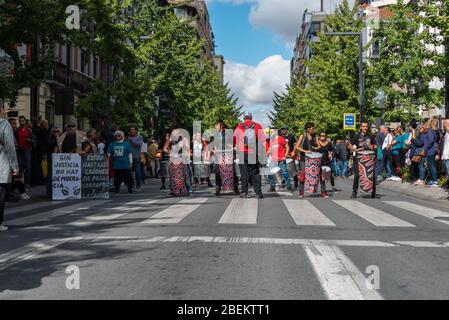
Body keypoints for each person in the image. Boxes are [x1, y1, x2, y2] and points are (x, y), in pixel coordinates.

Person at [233, 112, 265, 199]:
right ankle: (258, 193)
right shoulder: (257, 125)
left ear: (244, 118)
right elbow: (262, 140)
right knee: (255, 173)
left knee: (244, 174)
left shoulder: (239, 126)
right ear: (251, 117)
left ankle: (244, 192)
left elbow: (234, 139)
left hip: (243, 152)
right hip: (254, 152)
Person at [0, 101, 20, 231]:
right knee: (0, 196)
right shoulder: (3, 124)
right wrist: (15, 167)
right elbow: (10, 147)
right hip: (2, 164)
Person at [349, 122, 378, 199]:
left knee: (371, 174)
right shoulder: (356, 136)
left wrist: (371, 146)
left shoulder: (371, 136)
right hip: (358, 157)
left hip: (369, 157)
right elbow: (349, 145)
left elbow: (376, 146)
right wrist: (356, 149)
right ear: (361, 127)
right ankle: (354, 192)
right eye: (363, 126)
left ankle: (373, 192)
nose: (365, 128)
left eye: (366, 126)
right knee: (357, 175)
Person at [212, 119, 239, 196]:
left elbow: (233, 143)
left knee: (232, 171)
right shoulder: (215, 134)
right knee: (217, 171)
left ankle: (235, 188)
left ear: (221, 125)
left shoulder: (228, 133)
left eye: (217, 125)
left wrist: (233, 148)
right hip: (218, 155)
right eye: (215, 125)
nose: (215, 126)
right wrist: (214, 148)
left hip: (228, 154)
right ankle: (218, 188)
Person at [294, 122, 317, 198]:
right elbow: (297, 147)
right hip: (304, 158)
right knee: (303, 175)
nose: (313, 130)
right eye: (312, 128)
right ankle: (301, 192)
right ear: (308, 129)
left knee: (312, 175)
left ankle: (312, 189)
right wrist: (305, 151)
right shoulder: (303, 136)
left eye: (313, 128)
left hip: (313, 158)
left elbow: (317, 146)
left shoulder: (314, 136)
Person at [267, 126, 291, 192]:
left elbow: (287, 147)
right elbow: (270, 149)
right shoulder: (271, 140)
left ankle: (288, 185)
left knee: (284, 173)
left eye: (271, 132)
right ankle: (272, 186)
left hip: (281, 159)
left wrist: (285, 156)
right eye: (270, 132)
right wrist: (267, 154)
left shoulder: (280, 138)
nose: (270, 133)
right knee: (270, 173)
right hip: (273, 159)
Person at [314, 132, 337, 197]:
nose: (322, 136)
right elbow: (313, 149)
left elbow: (332, 150)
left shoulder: (329, 143)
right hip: (318, 161)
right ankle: (320, 190)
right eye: (320, 135)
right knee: (318, 177)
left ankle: (323, 191)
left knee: (323, 177)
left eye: (323, 135)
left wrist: (330, 154)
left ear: (326, 136)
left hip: (326, 161)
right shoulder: (317, 143)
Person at [422, 121, 439, 186]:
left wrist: (425, 148)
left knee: (431, 166)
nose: (422, 127)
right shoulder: (431, 131)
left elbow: (431, 140)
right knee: (431, 165)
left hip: (430, 150)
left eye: (423, 125)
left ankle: (434, 181)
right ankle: (432, 180)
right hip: (432, 150)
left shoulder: (429, 130)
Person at [16, 116, 32, 185]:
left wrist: (29, 140)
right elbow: (15, 139)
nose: (21, 122)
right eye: (20, 121)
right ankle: (19, 184)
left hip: (27, 150)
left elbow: (33, 140)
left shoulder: (29, 130)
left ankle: (27, 183)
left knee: (28, 168)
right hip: (19, 151)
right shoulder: (17, 130)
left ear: (25, 121)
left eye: (22, 121)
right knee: (20, 168)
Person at [127, 126, 143, 192]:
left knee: (137, 171)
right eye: (131, 130)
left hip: (136, 156)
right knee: (129, 172)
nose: (132, 131)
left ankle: (138, 186)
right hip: (129, 157)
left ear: (136, 131)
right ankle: (132, 185)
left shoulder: (140, 137)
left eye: (133, 130)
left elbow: (139, 145)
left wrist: (132, 140)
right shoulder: (128, 138)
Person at [46, 126, 61, 197]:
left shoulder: (61, 138)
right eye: (55, 131)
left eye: (58, 131)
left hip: (59, 160)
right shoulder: (50, 138)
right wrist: (56, 139)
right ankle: (49, 191)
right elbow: (49, 144)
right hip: (51, 159)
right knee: (50, 176)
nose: (56, 133)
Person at [439, 119, 449, 188]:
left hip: (448, 156)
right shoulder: (446, 133)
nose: (443, 125)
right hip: (445, 156)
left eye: (444, 123)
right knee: (447, 172)